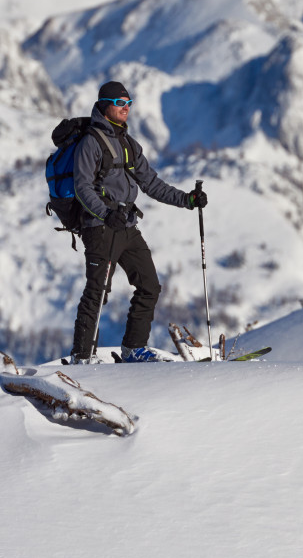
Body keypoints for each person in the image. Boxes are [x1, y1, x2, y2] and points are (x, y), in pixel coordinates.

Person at [65, 80, 207, 364]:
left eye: (129, 103)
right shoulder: (90, 142)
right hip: (100, 229)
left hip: (127, 227)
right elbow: (82, 188)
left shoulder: (129, 143)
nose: (126, 108)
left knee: (149, 286)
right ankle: (82, 356)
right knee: (97, 291)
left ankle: (133, 349)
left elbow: (151, 184)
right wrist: (106, 214)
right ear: (105, 105)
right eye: (120, 103)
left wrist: (188, 200)